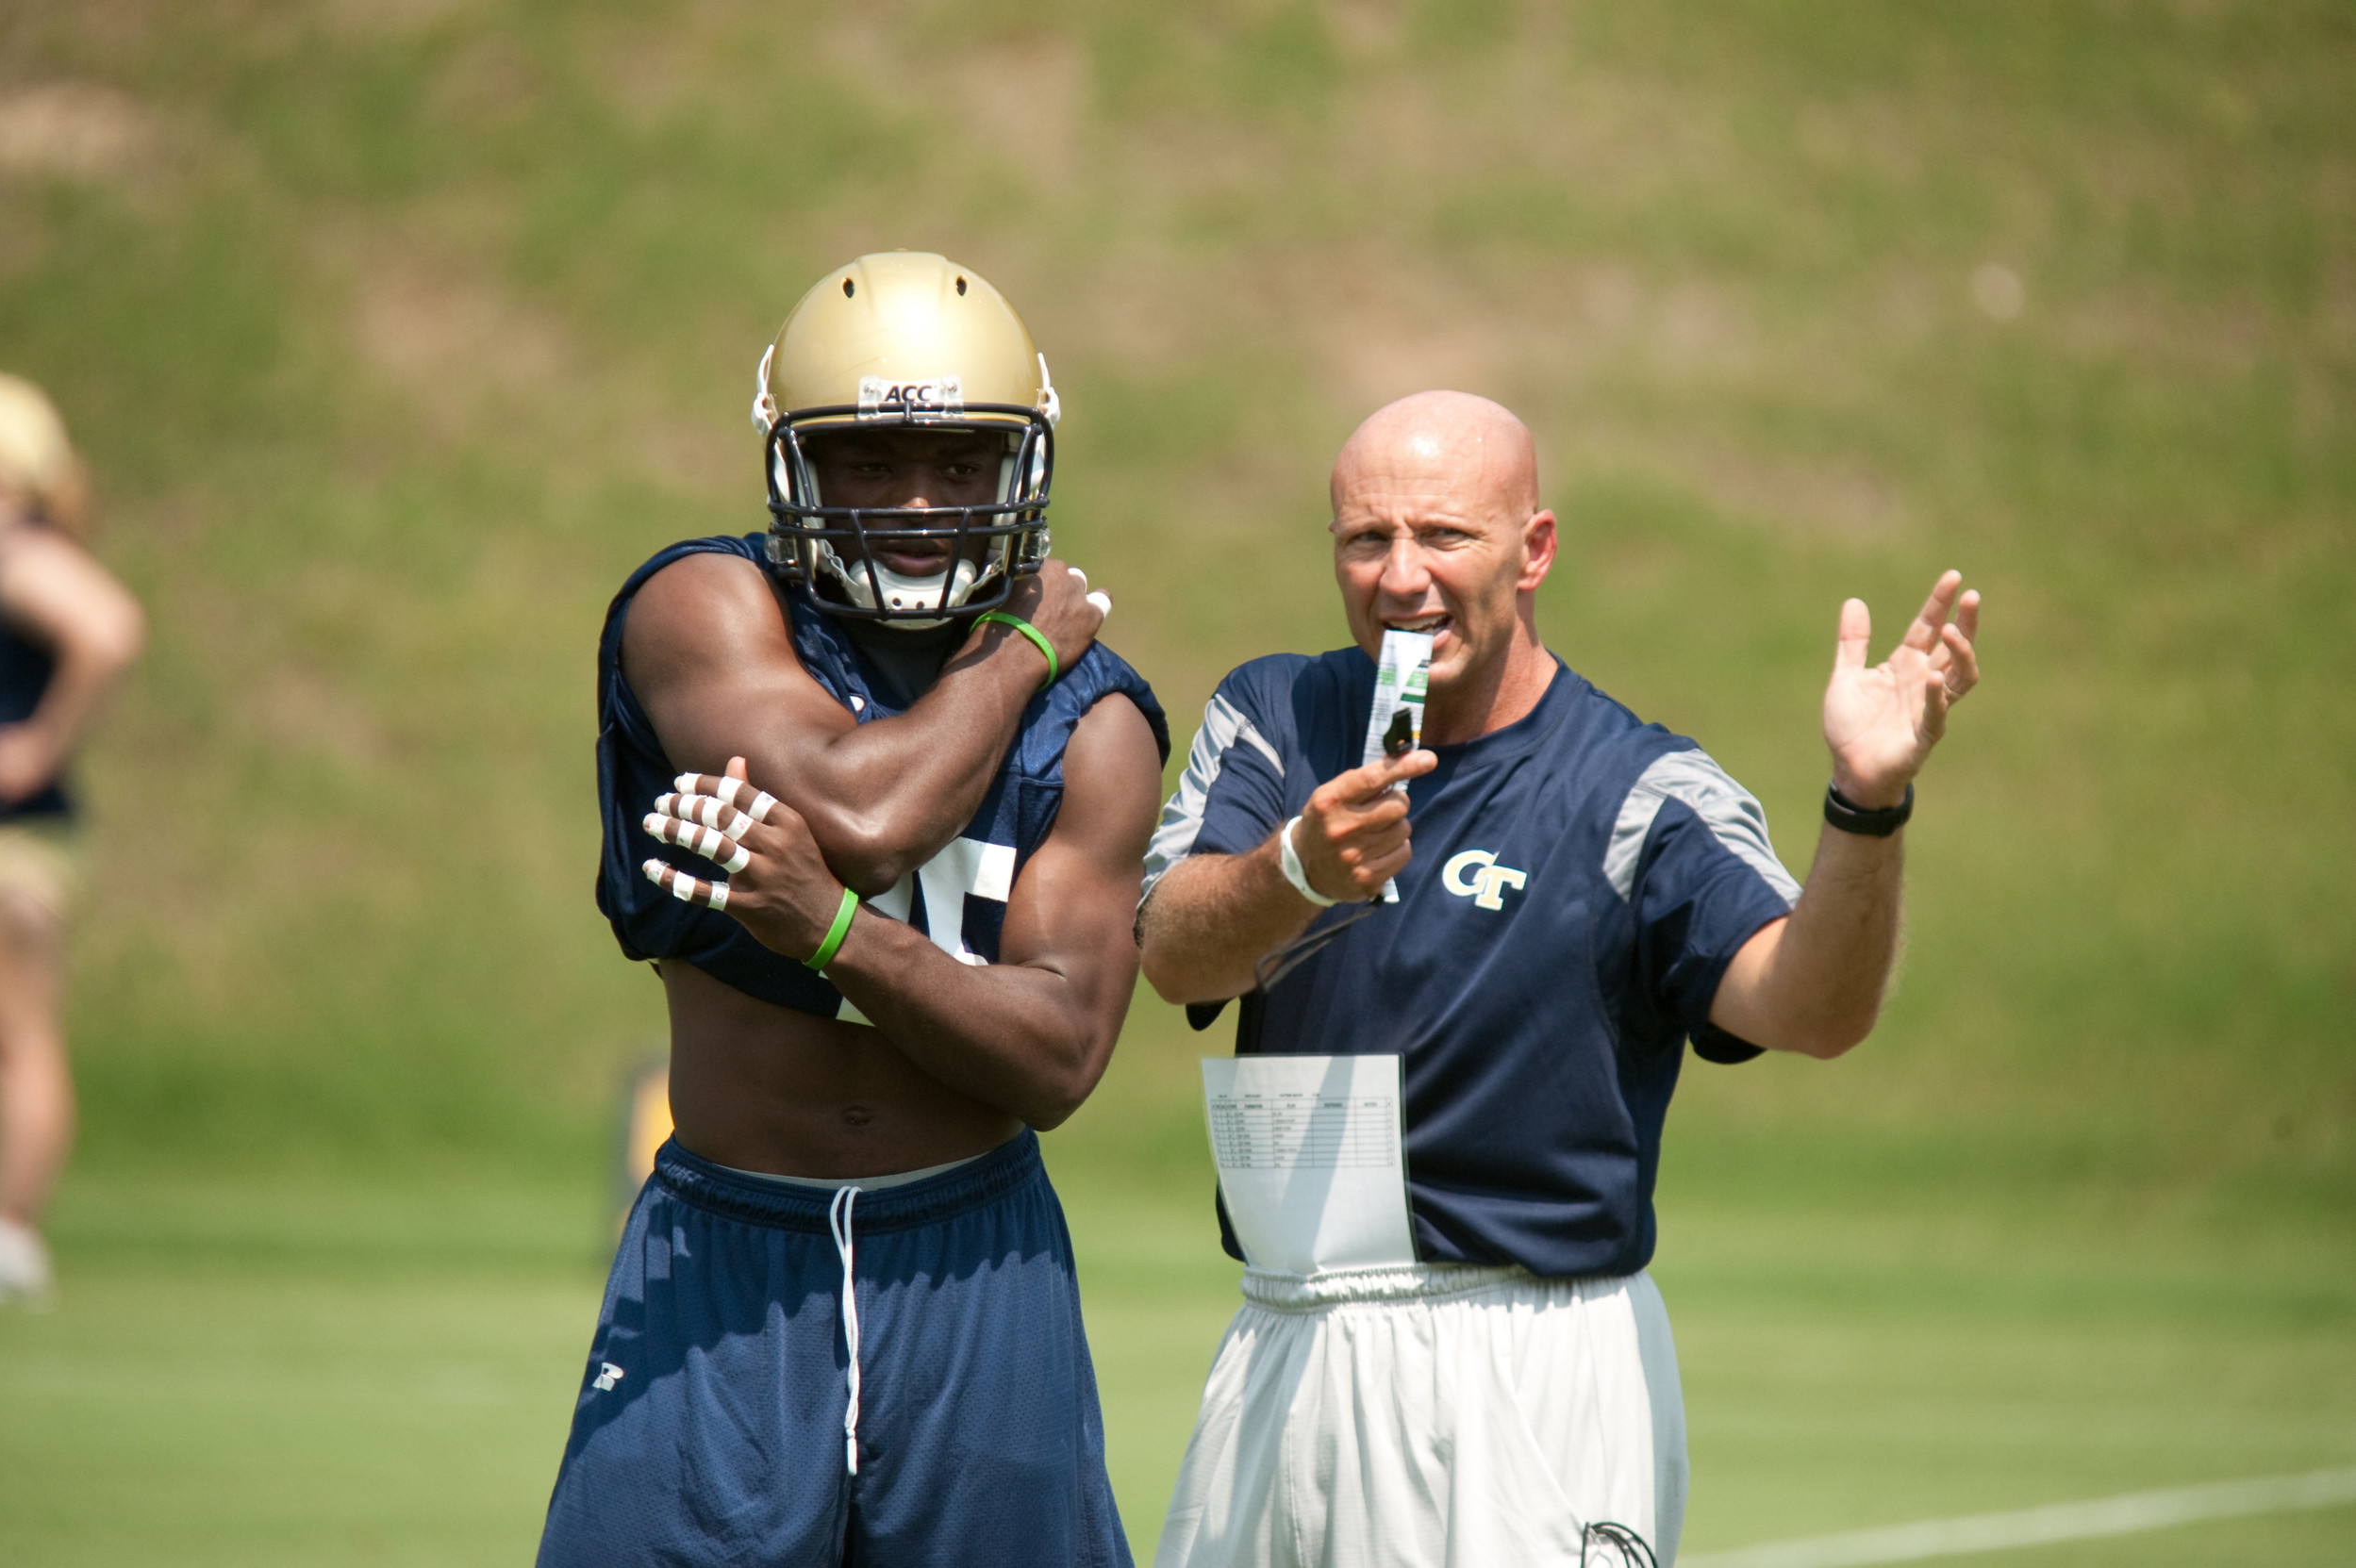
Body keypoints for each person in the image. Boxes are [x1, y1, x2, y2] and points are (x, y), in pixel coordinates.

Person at [1137, 390, 1981, 1568]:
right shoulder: (1275, 714)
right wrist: (1296, 871)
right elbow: (1173, 949)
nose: (1401, 577)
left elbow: (1813, 1010)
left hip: (1523, 1363)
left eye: (1444, 535)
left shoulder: (1640, 792)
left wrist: (1867, 803)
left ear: (1533, 549)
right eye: (1366, 539)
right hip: (1283, 1337)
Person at [537, 253, 1169, 1568]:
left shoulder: (1099, 724)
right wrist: (1022, 654)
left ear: (1022, 469)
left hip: (973, 1254)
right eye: (869, 463)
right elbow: (864, 815)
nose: (920, 503)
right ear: (793, 468)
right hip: (727, 1244)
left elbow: (1056, 1056)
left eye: (959, 460)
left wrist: (828, 929)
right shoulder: (703, 606)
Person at [0, 375, 143, 1308]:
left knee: (18, 1033)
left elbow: (109, 629)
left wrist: (36, 747)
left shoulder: (17, 552)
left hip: (15, 836)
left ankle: (11, 1231)